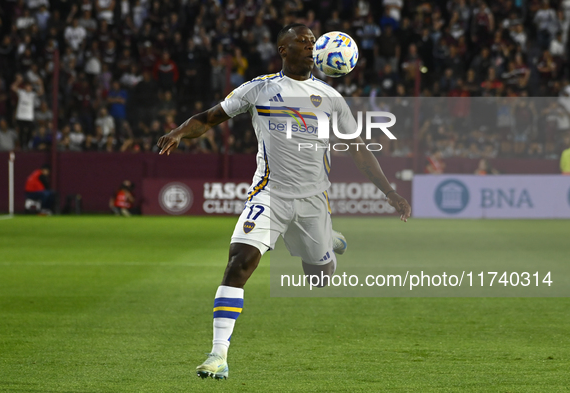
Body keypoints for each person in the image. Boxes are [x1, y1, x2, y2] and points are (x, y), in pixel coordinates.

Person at [157, 23, 411, 380]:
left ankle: (329, 240)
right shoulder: (259, 89)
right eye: (302, 42)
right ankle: (218, 355)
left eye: (312, 42)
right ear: (283, 49)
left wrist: (390, 192)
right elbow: (209, 118)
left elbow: (359, 151)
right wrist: (180, 131)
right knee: (239, 262)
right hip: (269, 195)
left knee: (319, 278)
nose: (310, 46)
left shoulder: (331, 98)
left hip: (312, 202)